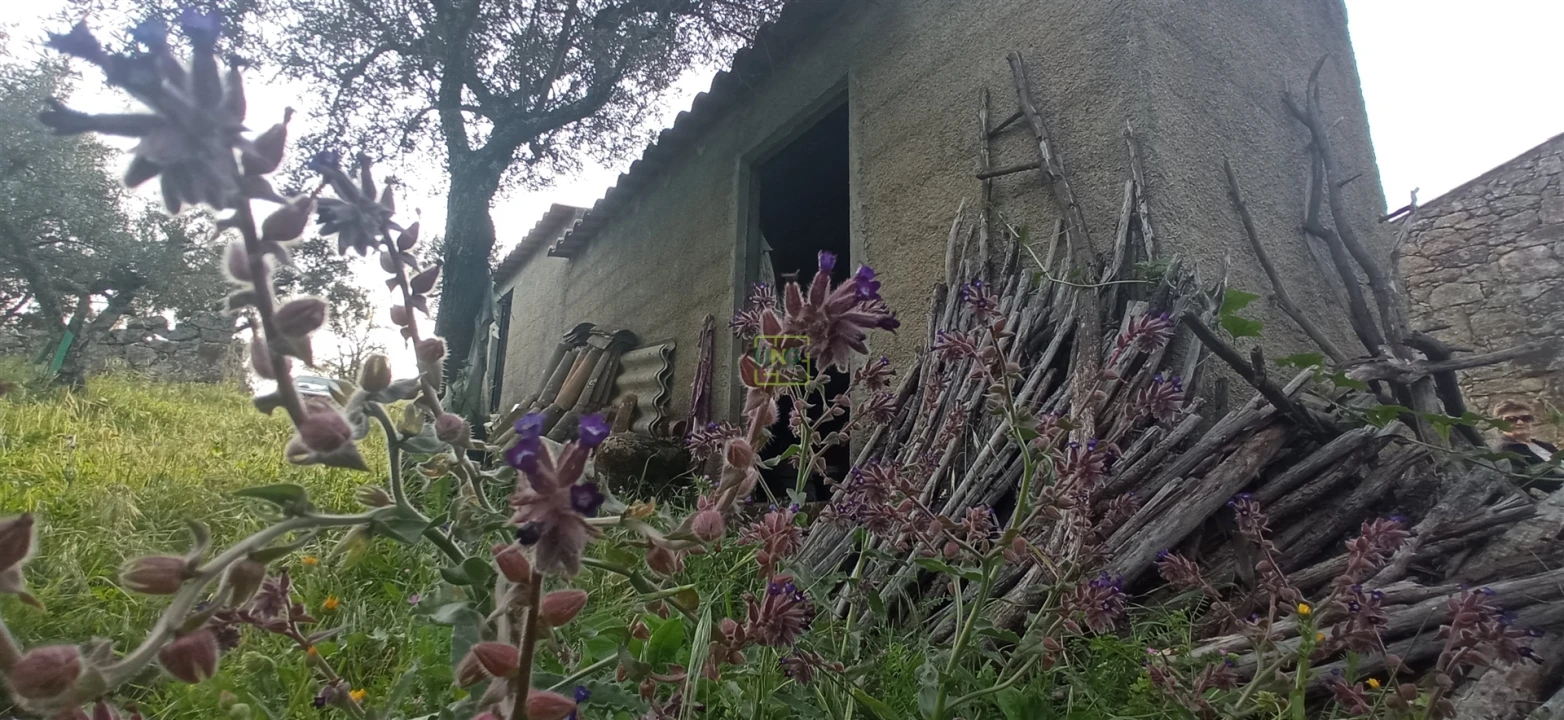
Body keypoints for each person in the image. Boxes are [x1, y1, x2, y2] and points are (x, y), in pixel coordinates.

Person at [1493, 400, 1561, 494]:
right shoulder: (1504, 450)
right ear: (1500, 424)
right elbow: (1528, 480)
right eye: (1511, 419)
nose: (1520, 422)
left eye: (1526, 418)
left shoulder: (1546, 446)